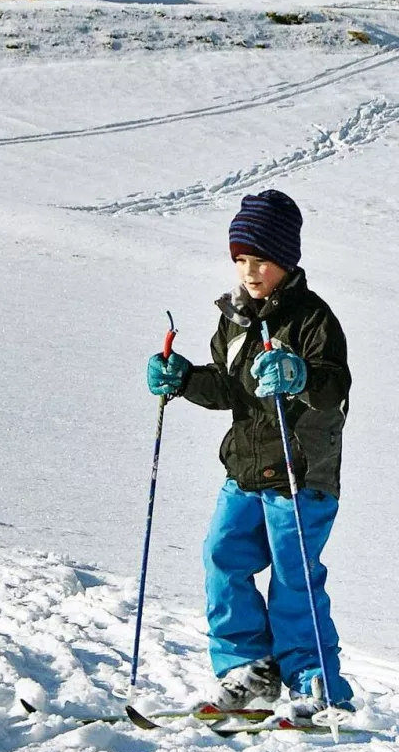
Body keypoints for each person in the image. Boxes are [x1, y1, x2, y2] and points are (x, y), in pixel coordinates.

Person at [145, 189, 354, 720]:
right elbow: (229, 388)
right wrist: (186, 379)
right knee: (222, 558)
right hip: (244, 469)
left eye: (260, 259)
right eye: (240, 259)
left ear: (286, 260)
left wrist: (300, 376)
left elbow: (334, 386)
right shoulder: (234, 319)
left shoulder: (313, 319)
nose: (250, 271)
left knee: (293, 578)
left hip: (299, 472)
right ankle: (249, 671)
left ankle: (316, 685)